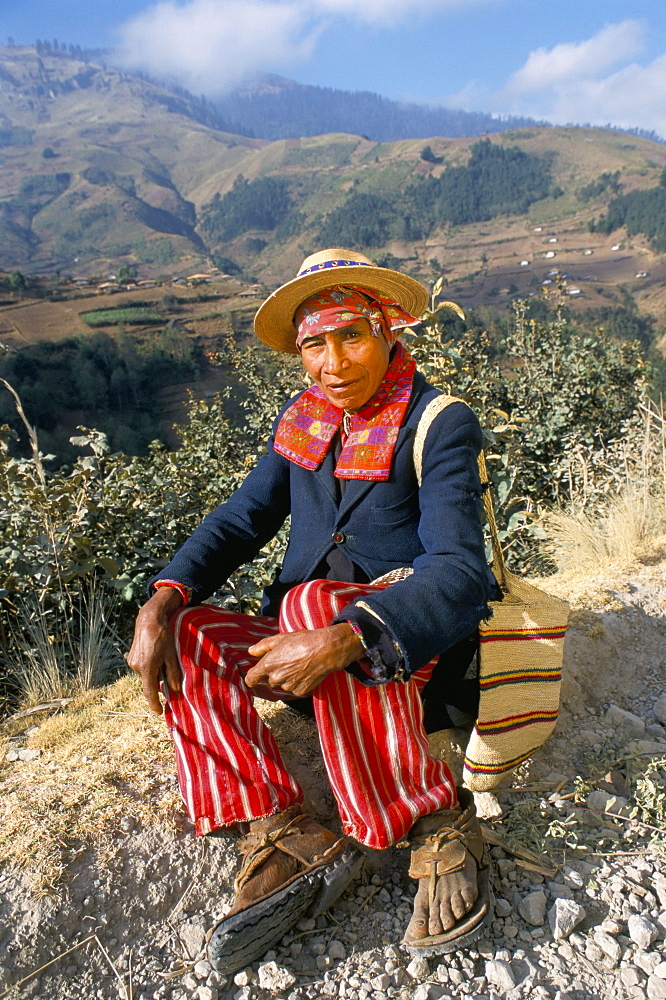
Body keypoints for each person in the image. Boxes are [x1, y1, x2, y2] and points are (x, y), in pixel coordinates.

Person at [128, 248, 499, 973]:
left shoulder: (438, 422)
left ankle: (433, 817)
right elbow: (243, 517)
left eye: (351, 336)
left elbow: (462, 573)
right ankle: (283, 824)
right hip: (307, 643)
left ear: (388, 332)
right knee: (194, 633)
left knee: (308, 601)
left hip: (407, 651)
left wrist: (345, 635)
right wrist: (164, 597)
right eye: (314, 344)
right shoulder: (303, 421)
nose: (333, 363)